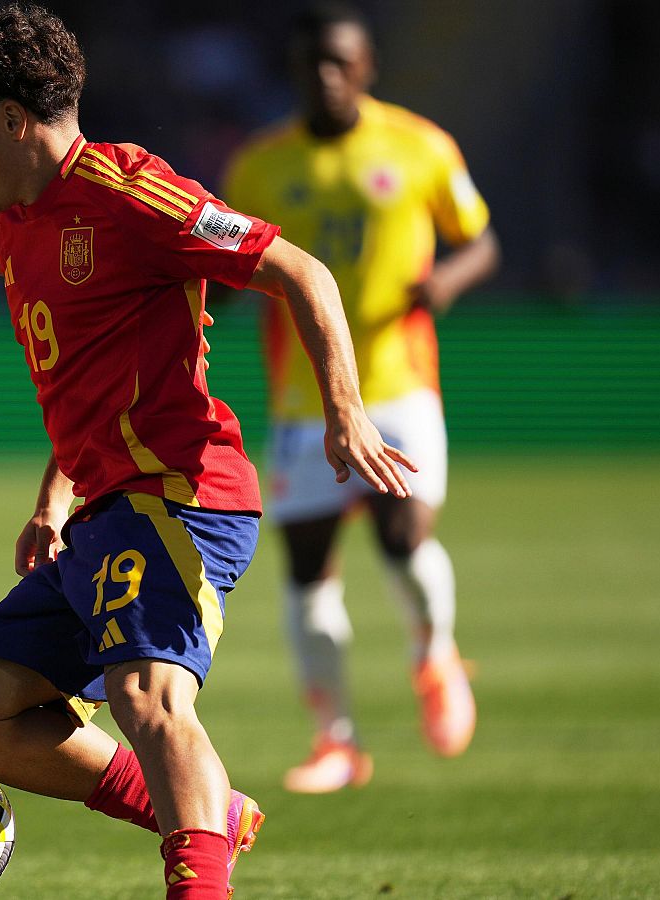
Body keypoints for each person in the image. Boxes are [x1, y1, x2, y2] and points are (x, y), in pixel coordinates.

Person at [0, 6, 415, 898]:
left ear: (13, 121)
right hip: (103, 512)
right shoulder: (22, 221)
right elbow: (90, 381)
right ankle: (208, 810)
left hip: (182, 494)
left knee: (147, 698)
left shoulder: (130, 191)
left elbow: (301, 270)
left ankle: (198, 880)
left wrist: (346, 412)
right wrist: (53, 500)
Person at [221, 2, 500, 793]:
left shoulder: (420, 146)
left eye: (341, 62)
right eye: (312, 63)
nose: (326, 76)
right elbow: (230, 266)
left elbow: (481, 239)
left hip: (398, 385)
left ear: (367, 67)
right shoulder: (259, 167)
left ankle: (435, 655)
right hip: (302, 403)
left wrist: (446, 281)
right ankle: (336, 740)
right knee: (309, 568)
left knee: (402, 536)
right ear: (294, 72)